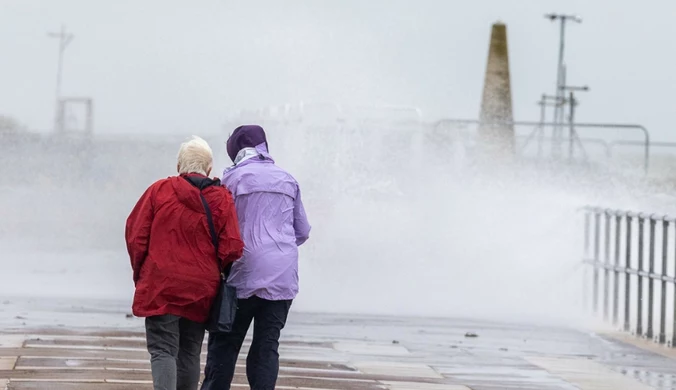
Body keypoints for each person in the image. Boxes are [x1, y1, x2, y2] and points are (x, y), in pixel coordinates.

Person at [125, 136, 244, 390]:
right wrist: (214, 270)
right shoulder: (222, 199)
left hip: (161, 284)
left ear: (179, 166)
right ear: (209, 168)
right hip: (201, 289)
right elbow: (232, 245)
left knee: (163, 349)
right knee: (190, 352)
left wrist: (141, 272)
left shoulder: (159, 191)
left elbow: (136, 235)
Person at [201, 125, 311, 390]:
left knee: (226, 342)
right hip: (282, 276)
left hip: (243, 273)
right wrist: (277, 249)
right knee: (267, 345)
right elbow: (303, 231)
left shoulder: (231, 181)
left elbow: (217, 229)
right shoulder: (287, 179)